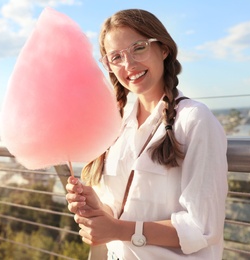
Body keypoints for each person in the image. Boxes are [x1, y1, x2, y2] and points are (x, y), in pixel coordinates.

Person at [66, 9, 228, 260]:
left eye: (138, 48)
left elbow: (202, 228)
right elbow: (119, 209)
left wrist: (117, 229)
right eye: (116, 57)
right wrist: (96, 208)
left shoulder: (194, 119)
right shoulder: (117, 127)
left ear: (163, 49)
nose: (129, 64)